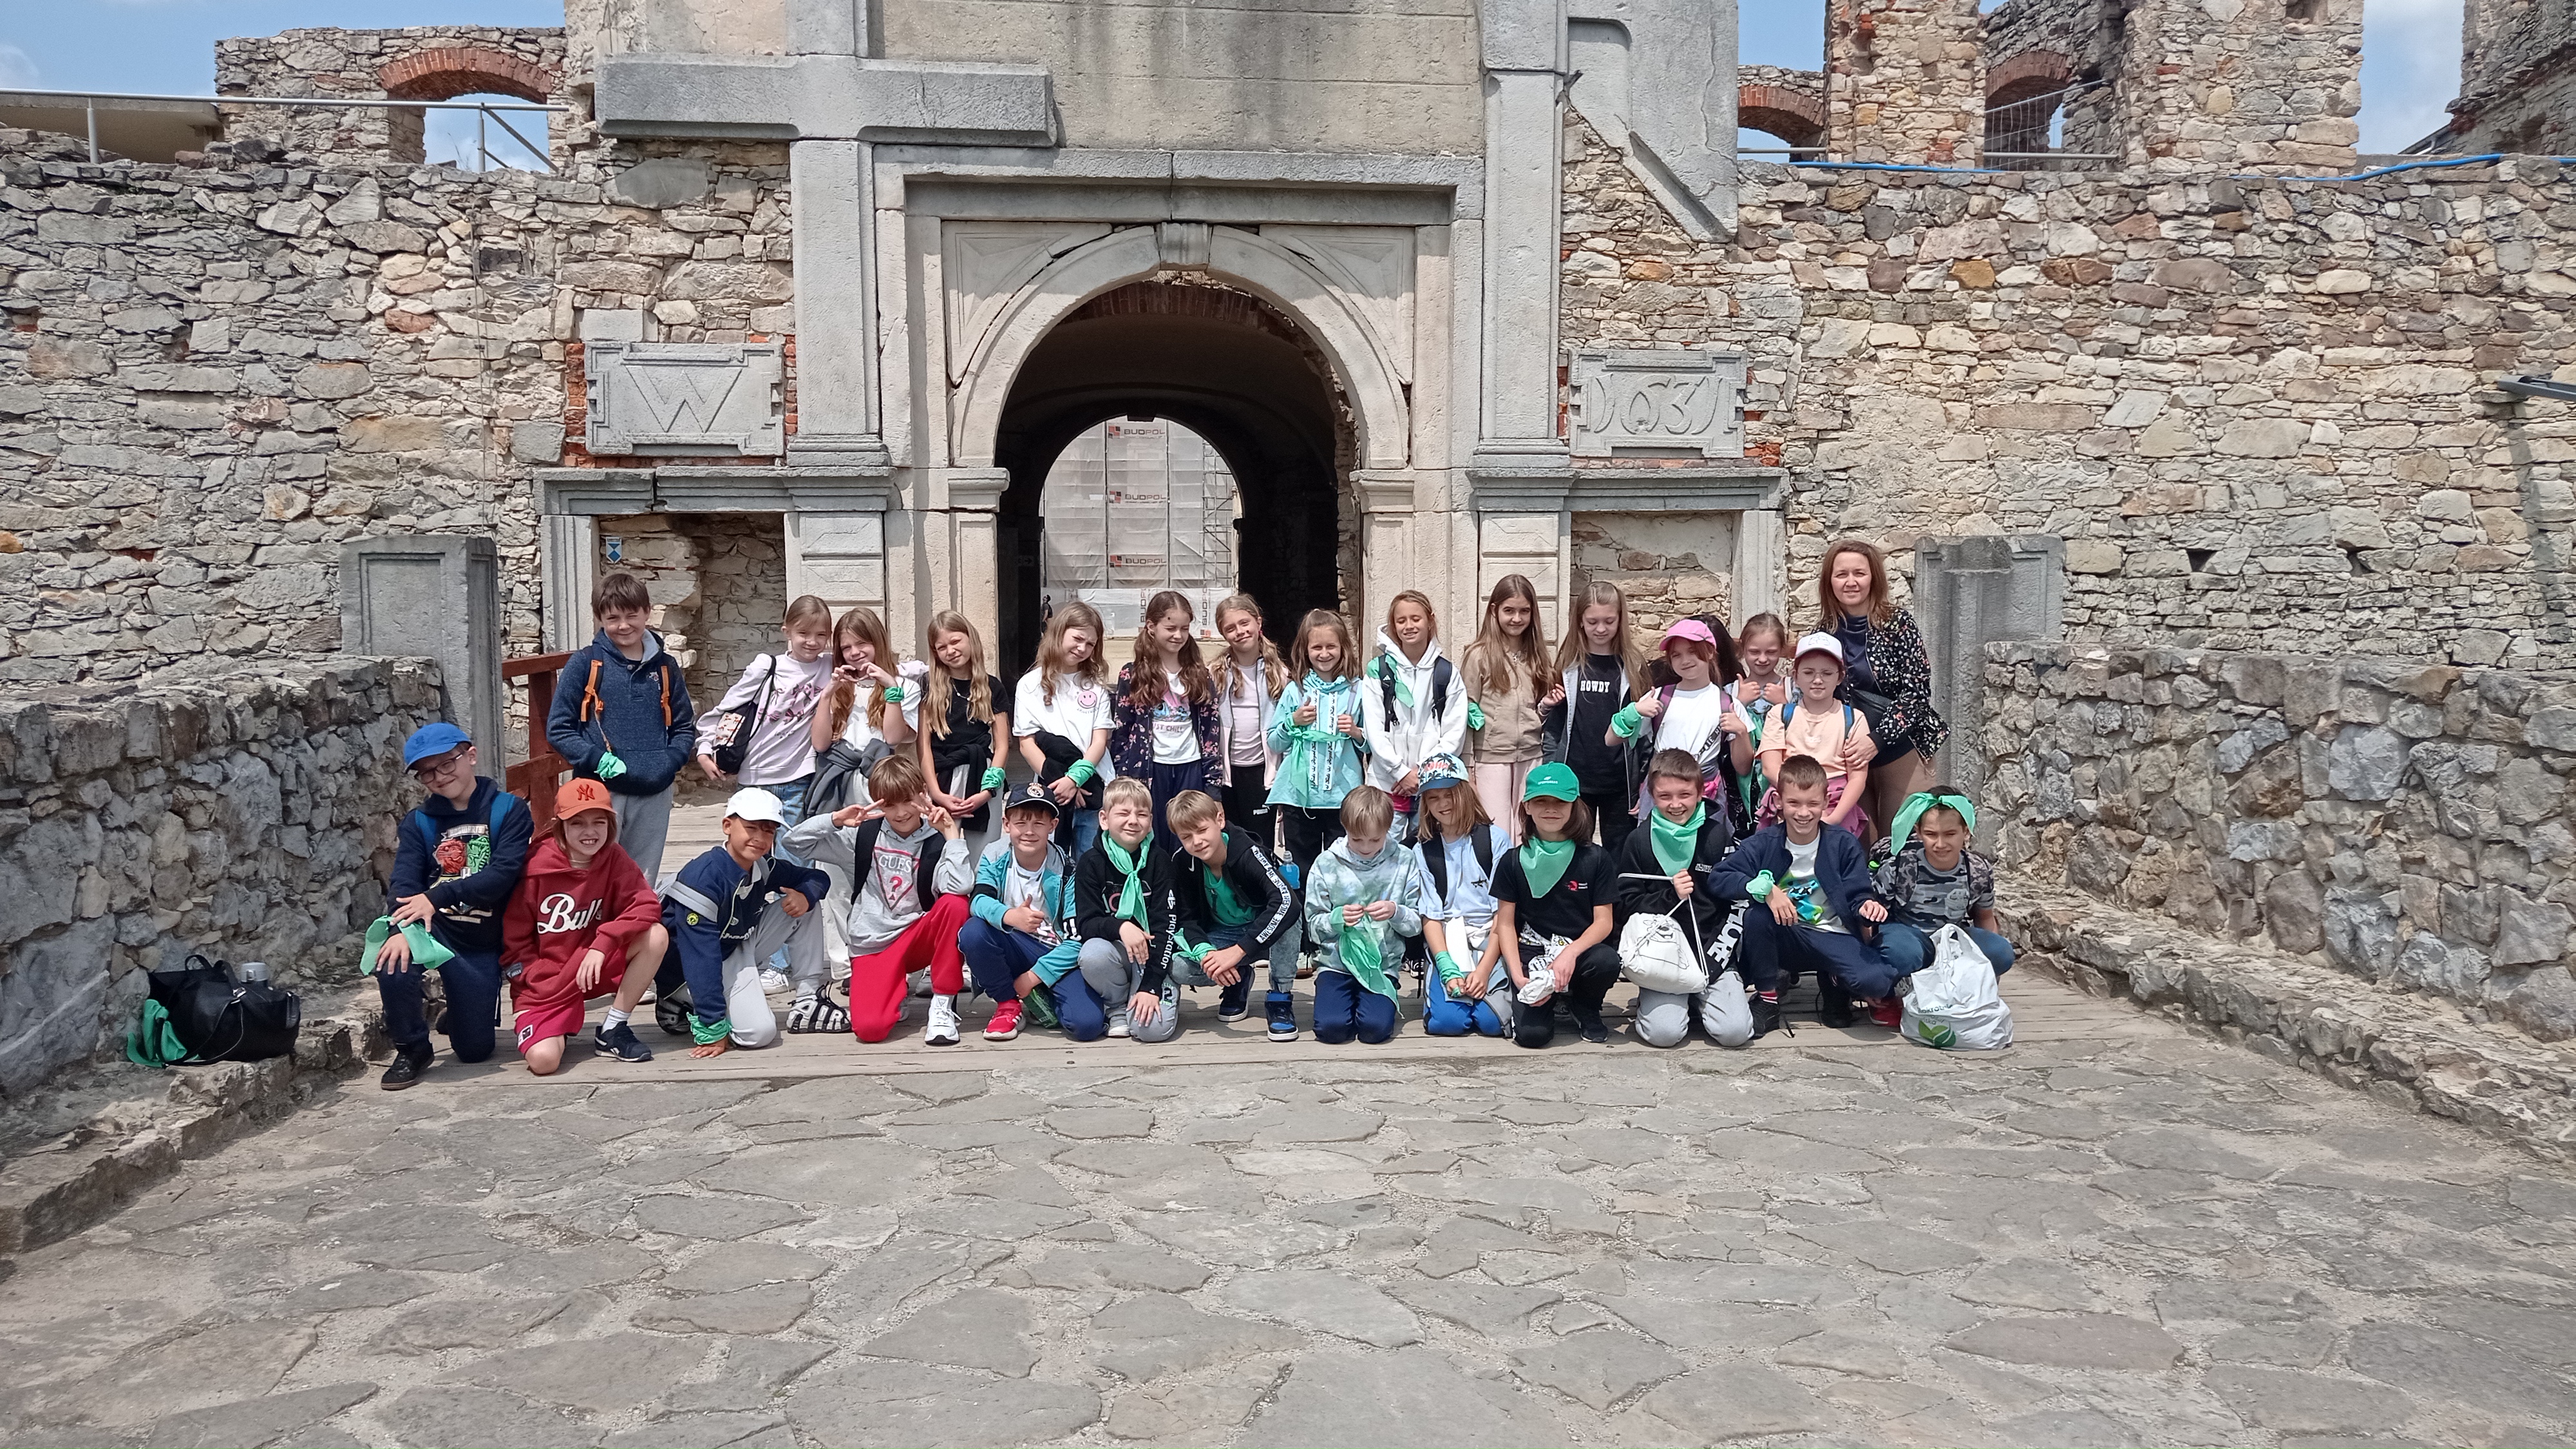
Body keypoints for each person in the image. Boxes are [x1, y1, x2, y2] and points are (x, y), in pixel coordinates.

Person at [372, 723, 535, 1090]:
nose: (440, 777)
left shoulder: (509, 810)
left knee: (474, 1051)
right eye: (427, 772)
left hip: (481, 939)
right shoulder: (419, 822)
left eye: (447, 764)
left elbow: (501, 876)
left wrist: (436, 897)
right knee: (392, 962)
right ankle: (412, 1048)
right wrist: (399, 930)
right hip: (435, 929)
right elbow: (404, 883)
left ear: (470, 756)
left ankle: (461, 1014)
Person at [785, 753, 977, 1046]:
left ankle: (943, 1004)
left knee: (955, 904)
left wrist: (952, 836)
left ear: (923, 794)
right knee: (870, 1029)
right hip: (874, 941)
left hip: (917, 935)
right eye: (889, 804)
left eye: (907, 801)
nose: (900, 813)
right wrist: (835, 820)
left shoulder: (938, 837)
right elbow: (793, 843)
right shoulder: (862, 836)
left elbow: (961, 887)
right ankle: (894, 992)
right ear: (876, 802)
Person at [698, 594, 838, 994]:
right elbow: (728, 708)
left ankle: (789, 963)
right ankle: (757, 954)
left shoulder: (830, 667)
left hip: (798, 779)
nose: (812, 642)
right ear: (786, 630)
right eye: (804, 633)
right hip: (756, 778)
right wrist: (704, 748)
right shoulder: (768, 666)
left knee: (793, 867)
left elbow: (886, 663)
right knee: (752, 866)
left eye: (821, 635)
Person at [1711, 754, 1899, 1029]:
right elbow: (1720, 878)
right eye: (1794, 803)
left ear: (1825, 802)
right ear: (1778, 801)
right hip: (1787, 934)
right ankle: (1768, 999)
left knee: (1877, 982)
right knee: (1757, 915)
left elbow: (1858, 893)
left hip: (1833, 934)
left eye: (1812, 804)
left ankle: (1835, 981)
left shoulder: (1842, 844)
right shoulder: (1764, 842)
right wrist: (1765, 890)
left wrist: (1866, 906)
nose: (1803, 813)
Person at [498, 777, 667, 1074]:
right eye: (577, 823)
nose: (590, 832)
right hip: (546, 982)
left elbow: (646, 904)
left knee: (655, 936)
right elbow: (514, 944)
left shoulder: (614, 857)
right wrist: (536, 978)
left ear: (611, 824)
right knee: (544, 1062)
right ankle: (559, 1026)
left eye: (599, 822)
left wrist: (603, 944)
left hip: (591, 966)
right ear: (560, 825)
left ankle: (613, 1028)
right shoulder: (532, 868)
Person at [546, 571, 697, 886]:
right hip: (598, 791)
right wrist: (596, 759)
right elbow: (559, 729)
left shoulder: (666, 667)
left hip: (654, 791)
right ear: (599, 618)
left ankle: (637, 920)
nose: (624, 625)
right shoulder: (585, 664)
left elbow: (684, 727)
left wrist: (669, 762)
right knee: (592, 874)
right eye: (613, 618)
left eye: (632, 616)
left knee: (642, 879)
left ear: (647, 613)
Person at [652, 787, 829, 1056]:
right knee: (758, 1034)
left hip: (734, 948)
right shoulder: (703, 878)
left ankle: (808, 999)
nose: (760, 838)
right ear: (727, 826)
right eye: (751, 828)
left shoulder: (762, 865)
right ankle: (679, 999)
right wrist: (712, 1027)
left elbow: (816, 878)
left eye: (769, 831)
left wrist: (806, 895)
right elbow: (701, 960)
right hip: (688, 971)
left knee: (806, 905)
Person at [1618, 748, 1777, 1047]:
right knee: (1664, 1035)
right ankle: (1667, 1002)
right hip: (1662, 957)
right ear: (1651, 795)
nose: (1676, 804)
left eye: (1685, 795)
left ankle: (1698, 998)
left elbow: (1737, 903)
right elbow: (1626, 904)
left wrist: (1717, 959)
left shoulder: (1717, 835)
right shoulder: (1638, 840)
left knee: (1735, 1033)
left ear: (1701, 792)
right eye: (1664, 796)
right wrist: (1669, 896)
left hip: (1712, 953)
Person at [807, 605, 916, 965]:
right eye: (846, 647)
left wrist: (890, 687)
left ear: (878, 642)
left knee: (886, 873)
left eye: (862, 644)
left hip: (881, 785)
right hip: (839, 786)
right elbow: (820, 743)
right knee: (837, 876)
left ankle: (885, 957)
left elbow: (894, 736)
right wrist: (828, 694)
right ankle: (844, 964)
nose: (855, 653)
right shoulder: (837, 687)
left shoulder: (903, 684)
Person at [1819, 537, 1946, 840]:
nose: (1851, 582)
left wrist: (1877, 740)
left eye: (1859, 573)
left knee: (1905, 840)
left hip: (1900, 749)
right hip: (1847, 755)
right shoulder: (1824, 632)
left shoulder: (1898, 624)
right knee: (1858, 844)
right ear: (1830, 581)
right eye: (1842, 574)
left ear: (1873, 577)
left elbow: (1917, 690)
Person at [1487, 763, 1620, 1047]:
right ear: (1527, 806)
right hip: (1533, 952)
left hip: (1579, 951)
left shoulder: (1596, 858)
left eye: (1560, 801)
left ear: (1575, 806)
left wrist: (1570, 954)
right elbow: (1506, 925)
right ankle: (1549, 999)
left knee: (1607, 961)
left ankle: (1584, 1005)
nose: (1551, 809)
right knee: (1532, 1036)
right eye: (1541, 801)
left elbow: (1604, 922)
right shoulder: (1511, 862)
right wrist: (1518, 976)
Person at [1161, 788, 1303, 1042]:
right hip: (1224, 933)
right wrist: (1208, 954)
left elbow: (1287, 901)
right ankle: (1238, 979)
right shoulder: (1182, 862)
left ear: (1220, 820)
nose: (1197, 841)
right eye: (1186, 837)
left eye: (1202, 830)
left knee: (1289, 920)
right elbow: (1186, 920)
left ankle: (1280, 998)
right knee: (1179, 967)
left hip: (1262, 932)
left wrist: (1238, 952)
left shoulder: (1247, 851)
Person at [960, 782, 1079, 1042]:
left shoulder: (1068, 869)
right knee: (973, 931)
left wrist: (1032, 978)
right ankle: (1007, 1003)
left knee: (1085, 1024)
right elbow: (978, 901)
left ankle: (1038, 994)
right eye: (1021, 823)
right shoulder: (994, 854)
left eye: (1039, 824)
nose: (1029, 831)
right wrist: (1010, 916)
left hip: (1052, 952)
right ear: (1006, 824)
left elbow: (1077, 940)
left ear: (1053, 826)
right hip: (1012, 944)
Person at [1303, 786, 1421, 1045]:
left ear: (1388, 829)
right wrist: (1336, 919)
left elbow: (1415, 925)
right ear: (1345, 828)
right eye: (1357, 840)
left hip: (1382, 964)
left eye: (1375, 840)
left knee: (1374, 1030)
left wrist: (1395, 912)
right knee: (1331, 1030)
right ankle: (1338, 999)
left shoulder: (1404, 860)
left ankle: (1376, 999)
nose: (1366, 847)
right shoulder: (1326, 863)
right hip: (1336, 963)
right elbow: (1312, 926)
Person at [1542, 581, 1649, 855]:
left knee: (1619, 855)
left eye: (1609, 621)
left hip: (1621, 783)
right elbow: (1554, 727)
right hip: (1575, 779)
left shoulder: (1634, 666)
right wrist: (1551, 770)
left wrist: (1645, 782)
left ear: (1620, 620)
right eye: (1593, 622)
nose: (1601, 629)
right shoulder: (1567, 665)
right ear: (1580, 621)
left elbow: (1646, 731)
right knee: (1574, 854)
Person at [1611, 620, 1751, 828]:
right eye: (1676, 655)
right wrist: (1633, 712)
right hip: (1662, 799)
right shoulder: (1659, 697)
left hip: (1706, 799)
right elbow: (1611, 739)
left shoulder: (1729, 704)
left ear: (1710, 651)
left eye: (1693, 651)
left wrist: (1741, 733)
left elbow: (1743, 767)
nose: (1685, 660)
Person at [1070, 777, 1180, 1041]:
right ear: (1104, 819)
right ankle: (1117, 1005)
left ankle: (1150, 991)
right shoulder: (1090, 862)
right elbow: (1086, 924)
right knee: (1092, 954)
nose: (1133, 821)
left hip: (1156, 955)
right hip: (1116, 954)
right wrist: (1121, 927)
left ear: (1150, 821)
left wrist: (1151, 986)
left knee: (1151, 1031)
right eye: (1123, 813)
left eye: (1142, 814)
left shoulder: (1160, 861)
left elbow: (1168, 926)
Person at [1267, 608, 1368, 890]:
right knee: (1301, 869)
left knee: (1344, 866)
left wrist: (1356, 732)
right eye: (1317, 648)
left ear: (1343, 648)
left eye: (1331, 646)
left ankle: (1340, 914)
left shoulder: (1358, 690)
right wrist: (1293, 722)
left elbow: (1374, 744)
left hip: (1342, 798)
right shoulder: (1295, 691)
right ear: (1306, 650)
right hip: (1299, 798)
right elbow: (1274, 742)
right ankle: (1305, 917)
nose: (1324, 654)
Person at [1411, 753, 1511, 1039]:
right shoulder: (1423, 850)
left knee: (1493, 1024)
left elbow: (1502, 914)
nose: (1443, 804)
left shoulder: (1495, 840)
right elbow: (1431, 915)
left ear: (1466, 792)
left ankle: (1488, 987)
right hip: (1448, 940)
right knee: (1448, 1024)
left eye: (1450, 794)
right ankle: (1443, 988)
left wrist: (1484, 970)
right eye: (1433, 798)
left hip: (1492, 940)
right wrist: (1446, 966)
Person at [1110, 591, 1221, 846]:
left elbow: (1211, 732)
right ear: (1151, 626)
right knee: (1152, 839)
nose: (1178, 635)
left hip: (1190, 766)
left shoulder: (1199, 674)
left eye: (1185, 629)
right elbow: (1122, 731)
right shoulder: (1133, 675)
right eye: (1170, 628)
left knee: (1190, 837)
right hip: (1149, 768)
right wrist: (1123, 777)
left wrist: (1213, 786)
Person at [1873, 790, 2012, 992]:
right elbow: (1872, 919)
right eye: (1931, 834)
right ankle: (1901, 986)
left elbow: (1985, 919)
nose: (1940, 844)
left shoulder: (1978, 870)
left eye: (1950, 834)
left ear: (1966, 831)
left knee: (2001, 952)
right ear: (1919, 832)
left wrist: (1990, 976)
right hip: (1909, 938)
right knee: (1900, 952)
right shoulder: (1900, 867)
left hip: (1952, 939)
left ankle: (1958, 984)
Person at [1361, 589, 1468, 844]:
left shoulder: (1446, 673)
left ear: (1430, 620)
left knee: (1428, 851)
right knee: (1383, 849)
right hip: (1387, 785)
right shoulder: (1379, 671)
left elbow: (1454, 731)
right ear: (1393, 626)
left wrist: (1422, 773)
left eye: (1416, 619)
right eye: (1401, 621)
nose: (1409, 626)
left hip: (1431, 787)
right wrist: (1400, 772)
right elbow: (1374, 730)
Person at [1463, 574, 1560, 845]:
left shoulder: (1538, 655)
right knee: (1497, 833)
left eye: (1524, 611)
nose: (1517, 618)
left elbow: (1536, 711)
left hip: (1531, 755)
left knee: (1527, 832)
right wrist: (1467, 766)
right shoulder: (1478, 655)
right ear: (1495, 611)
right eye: (1509, 611)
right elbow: (1466, 712)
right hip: (1491, 757)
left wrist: (1545, 707)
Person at [1013, 601, 1115, 859]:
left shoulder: (1096, 688)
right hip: (1053, 790)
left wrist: (1076, 780)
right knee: (1052, 864)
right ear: (1059, 632)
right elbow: (1027, 743)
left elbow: (1099, 742)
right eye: (1077, 639)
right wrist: (1063, 784)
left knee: (1090, 864)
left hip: (1094, 790)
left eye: (1090, 644)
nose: (1082, 648)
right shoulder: (1029, 685)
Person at [907, 611, 1010, 855]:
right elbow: (923, 746)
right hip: (941, 776)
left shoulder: (992, 686)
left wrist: (987, 791)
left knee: (985, 855)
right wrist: (936, 793)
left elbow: (1003, 745)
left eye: (955, 641)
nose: (950, 651)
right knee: (939, 854)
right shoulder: (928, 685)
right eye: (942, 647)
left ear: (970, 638)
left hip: (982, 775)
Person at [1754, 634, 1874, 840]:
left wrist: (1834, 818)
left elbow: (1857, 777)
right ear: (1796, 676)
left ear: (1840, 677)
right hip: (1790, 807)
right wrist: (1801, 801)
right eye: (1809, 672)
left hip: (1835, 805)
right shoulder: (1780, 715)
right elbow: (1770, 767)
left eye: (1827, 673)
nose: (1818, 680)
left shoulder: (1854, 719)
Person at [1211, 593, 1289, 841]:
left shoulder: (1280, 674)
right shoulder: (1214, 674)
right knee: (1229, 842)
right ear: (1224, 634)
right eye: (1230, 628)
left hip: (1263, 773)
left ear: (1258, 622)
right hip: (1227, 775)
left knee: (1261, 842)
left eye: (1245, 623)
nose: (1240, 632)